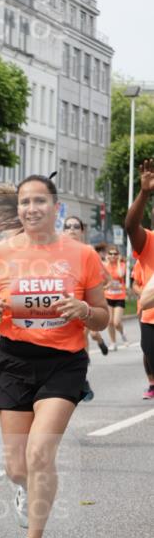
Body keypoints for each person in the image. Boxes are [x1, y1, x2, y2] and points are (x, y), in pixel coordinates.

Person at [0, 175, 109, 538]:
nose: (31, 208)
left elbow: (99, 313)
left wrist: (84, 312)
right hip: (13, 359)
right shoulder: (1, 251)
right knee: (17, 467)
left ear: (55, 207)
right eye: (24, 202)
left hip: (63, 362)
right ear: (18, 209)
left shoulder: (82, 255)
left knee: (39, 453)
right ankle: (23, 490)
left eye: (39, 201)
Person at [125, 158, 154, 400]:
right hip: (150, 314)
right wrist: (144, 193)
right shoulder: (147, 240)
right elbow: (130, 225)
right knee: (149, 352)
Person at [62, 217, 109, 358]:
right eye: (68, 226)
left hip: (86, 302)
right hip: (67, 302)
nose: (71, 229)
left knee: (85, 333)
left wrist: (96, 289)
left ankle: (84, 366)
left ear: (82, 231)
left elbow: (107, 278)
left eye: (76, 226)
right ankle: (98, 342)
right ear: (63, 230)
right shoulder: (58, 252)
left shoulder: (88, 252)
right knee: (86, 334)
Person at [132, 259, 154, 399]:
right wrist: (143, 294)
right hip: (147, 312)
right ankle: (152, 384)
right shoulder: (143, 260)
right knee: (148, 349)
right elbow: (135, 284)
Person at [104, 244, 128, 350]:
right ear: (107, 255)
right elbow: (101, 277)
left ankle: (122, 334)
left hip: (119, 297)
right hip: (108, 296)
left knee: (116, 322)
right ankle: (113, 343)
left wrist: (118, 262)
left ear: (118, 255)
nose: (113, 256)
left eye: (115, 254)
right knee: (109, 321)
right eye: (111, 254)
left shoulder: (122, 264)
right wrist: (107, 262)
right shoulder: (105, 265)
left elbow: (120, 274)